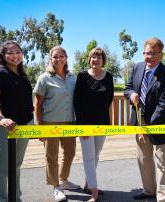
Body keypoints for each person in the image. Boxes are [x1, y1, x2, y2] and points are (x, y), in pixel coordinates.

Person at [124, 37, 165, 202]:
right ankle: (149, 191)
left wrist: (149, 125)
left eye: (152, 54)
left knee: (162, 162)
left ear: (161, 54)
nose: (148, 57)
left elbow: (164, 103)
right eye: (146, 53)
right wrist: (131, 94)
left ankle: (163, 198)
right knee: (144, 159)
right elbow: (128, 88)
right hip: (139, 124)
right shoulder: (137, 68)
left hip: (159, 124)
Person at [0, 41, 33, 202]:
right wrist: (1, 118)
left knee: (16, 165)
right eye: (10, 53)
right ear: (3, 56)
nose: (15, 55)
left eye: (18, 52)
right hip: (6, 127)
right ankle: (3, 198)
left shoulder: (22, 74)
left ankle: (15, 197)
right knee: (3, 167)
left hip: (24, 125)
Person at [34, 46, 80, 202]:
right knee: (51, 156)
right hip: (49, 123)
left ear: (66, 58)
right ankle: (56, 186)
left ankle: (64, 179)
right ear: (50, 59)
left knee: (70, 153)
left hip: (69, 123)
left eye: (61, 56)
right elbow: (37, 105)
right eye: (55, 57)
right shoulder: (44, 78)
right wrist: (39, 126)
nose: (58, 59)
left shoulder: (73, 77)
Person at [74, 47, 114, 202]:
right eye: (93, 57)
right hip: (85, 124)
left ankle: (88, 184)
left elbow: (109, 98)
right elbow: (77, 102)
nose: (96, 60)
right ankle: (94, 192)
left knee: (95, 155)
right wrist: (82, 126)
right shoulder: (82, 76)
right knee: (88, 158)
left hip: (102, 123)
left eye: (99, 57)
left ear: (103, 60)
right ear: (89, 60)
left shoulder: (108, 76)